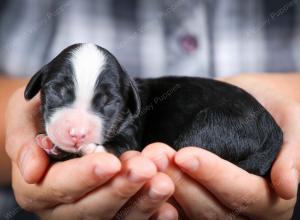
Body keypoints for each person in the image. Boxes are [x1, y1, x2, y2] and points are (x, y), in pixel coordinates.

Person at [1, 0, 300, 219]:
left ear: (129, 99)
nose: (78, 128)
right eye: (59, 94)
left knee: (186, 156)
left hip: (239, 135)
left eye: (104, 102)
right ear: (36, 87)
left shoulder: (133, 116)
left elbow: (119, 149)